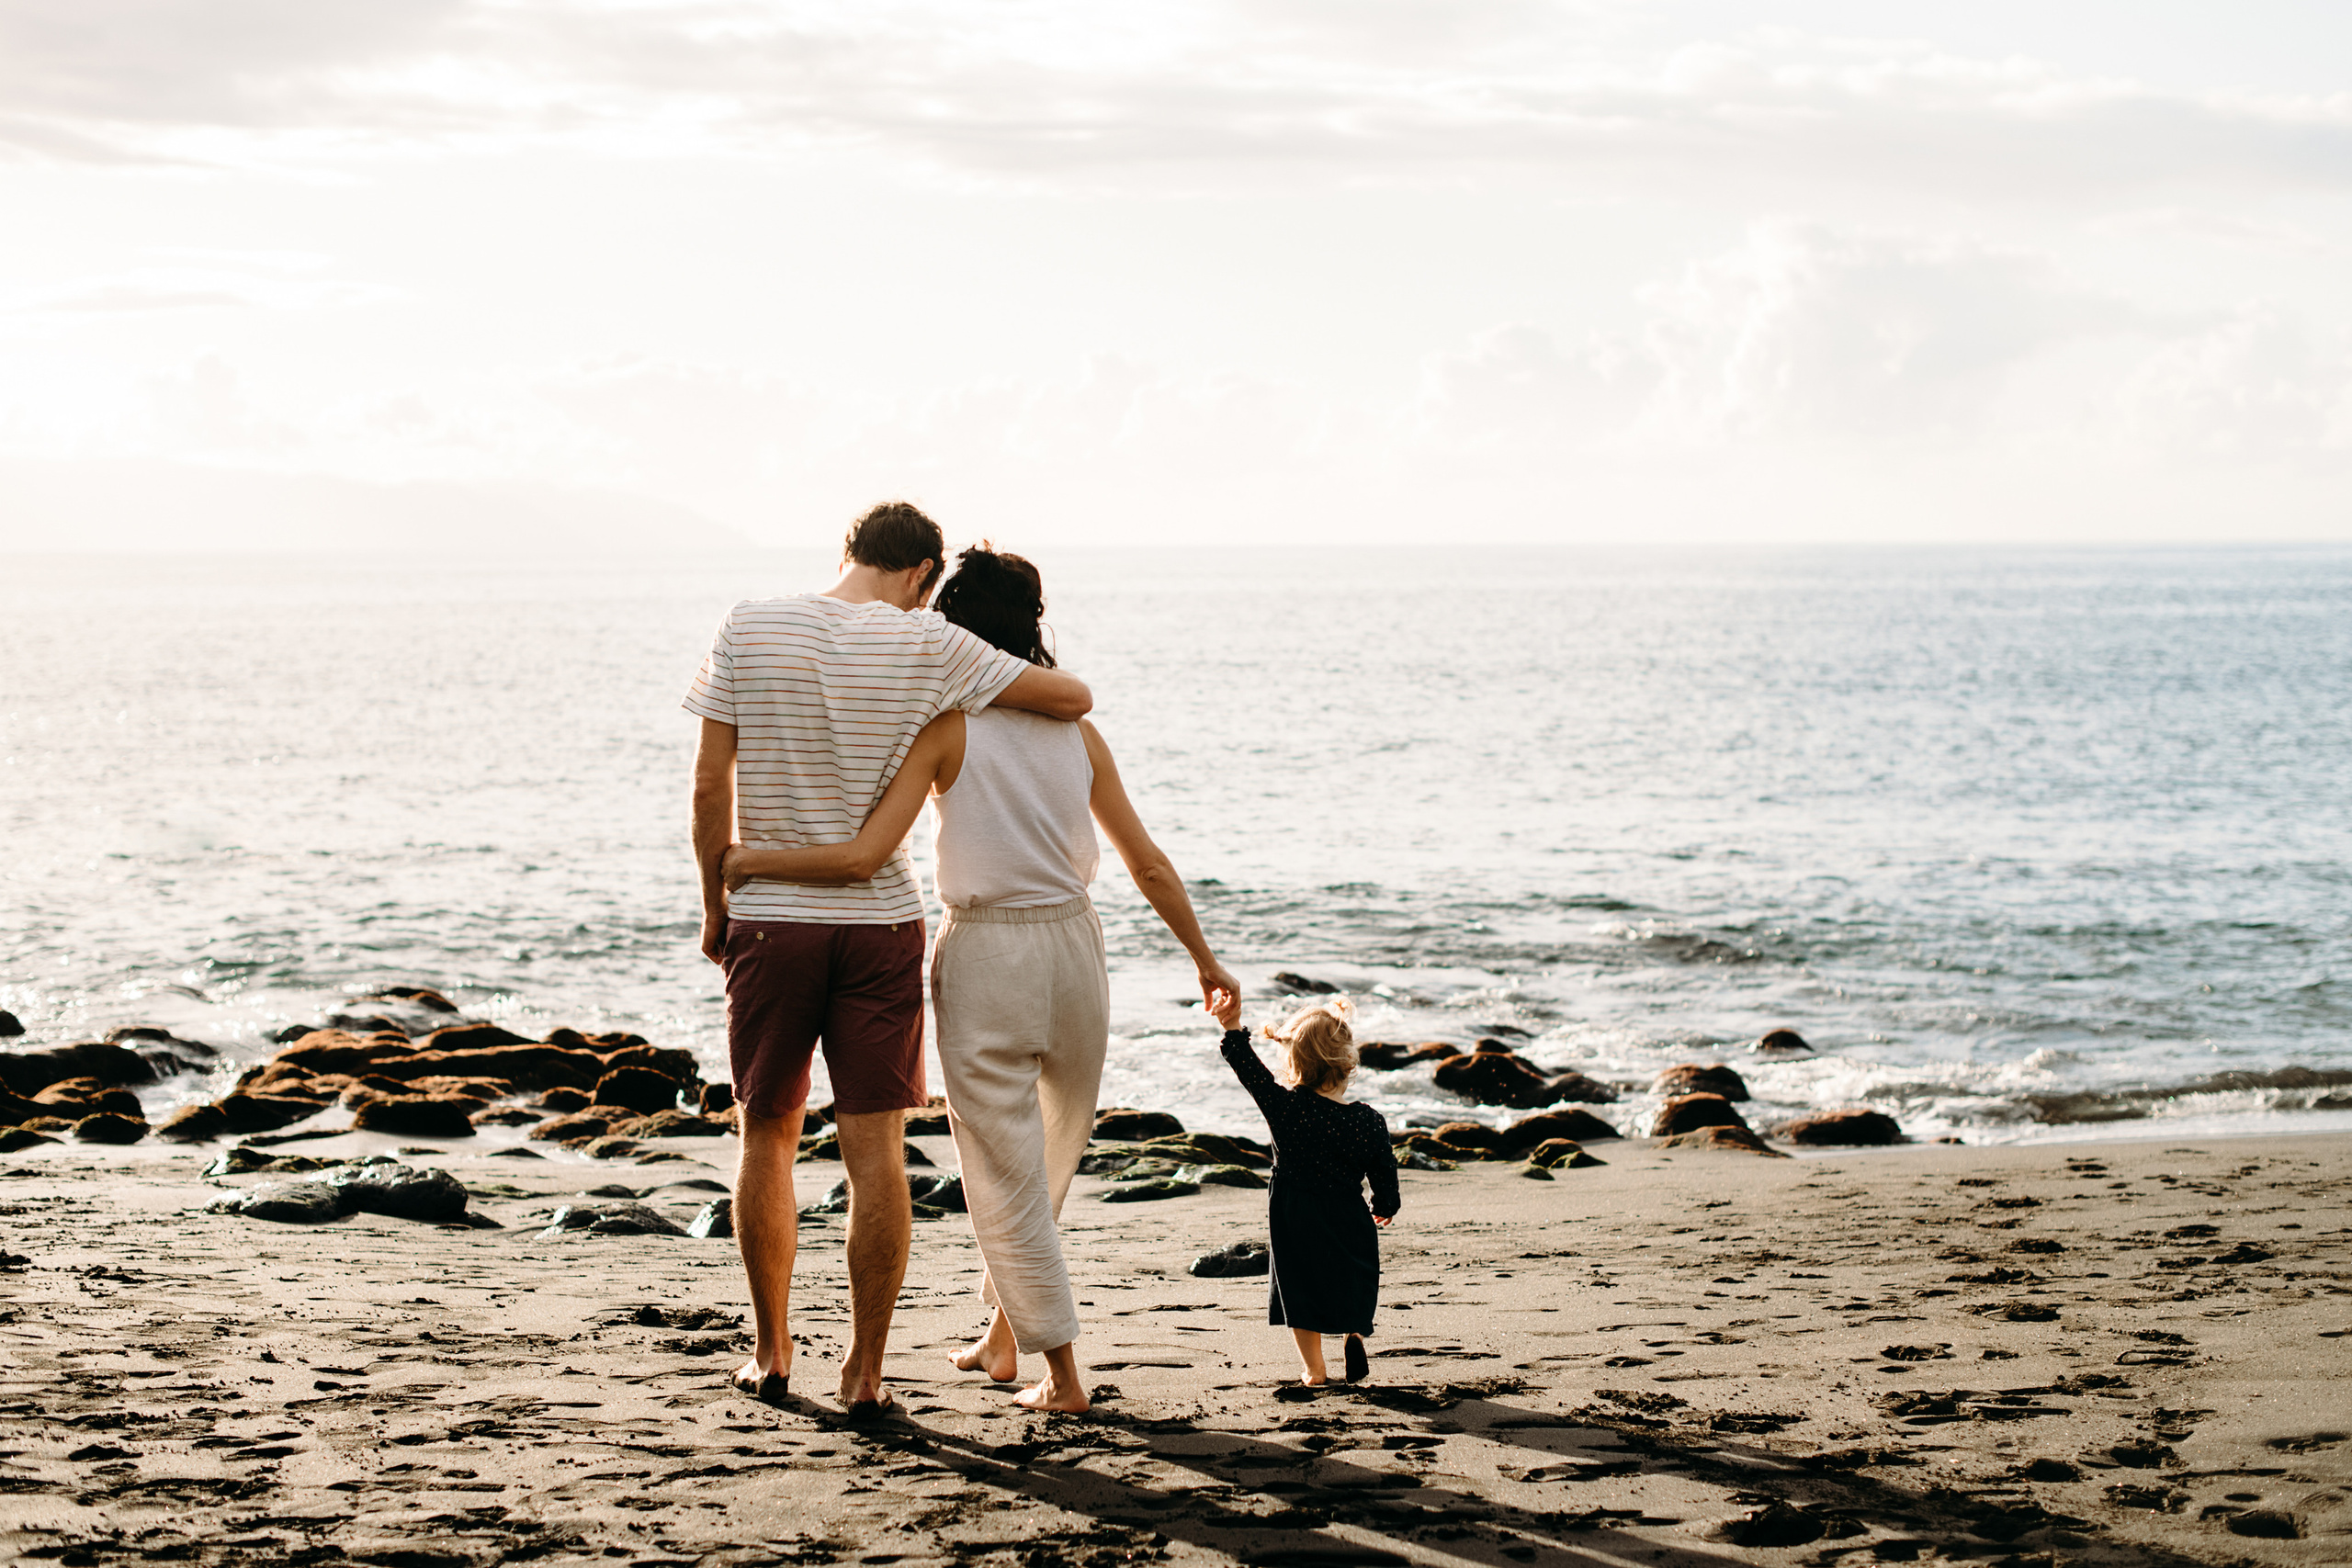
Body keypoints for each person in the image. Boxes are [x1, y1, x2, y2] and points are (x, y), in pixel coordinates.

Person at [723, 544, 1238, 1415]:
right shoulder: (1079, 731)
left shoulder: (948, 729)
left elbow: (862, 856)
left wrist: (746, 860)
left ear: (956, 629)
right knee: (1051, 1150)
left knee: (1001, 1165)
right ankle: (1002, 1339)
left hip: (990, 951)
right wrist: (1205, 959)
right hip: (1077, 948)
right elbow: (1146, 863)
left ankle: (1063, 1375)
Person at [685, 503, 1094, 1416]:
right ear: (920, 577)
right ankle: (865, 1374)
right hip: (879, 925)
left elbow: (711, 781)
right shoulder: (928, 647)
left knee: (768, 1135)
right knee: (877, 1148)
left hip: (772, 923)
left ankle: (771, 1353)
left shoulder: (748, 624)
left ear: (850, 550)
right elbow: (1071, 699)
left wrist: (717, 907)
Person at [1212, 993, 1398, 1386]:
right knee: (1354, 1278)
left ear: (1293, 1063)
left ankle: (1315, 1371)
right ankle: (1353, 1333)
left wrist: (1232, 1028)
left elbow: (1250, 1071)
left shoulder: (1285, 1109)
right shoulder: (1368, 1120)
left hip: (1296, 1217)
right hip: (1350, 1215)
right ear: (1348, 1063)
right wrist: (1386, 1204)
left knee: (1299, 1290)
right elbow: (1384, 1167)